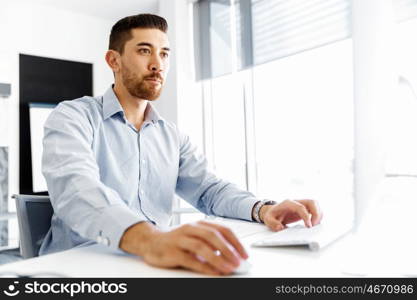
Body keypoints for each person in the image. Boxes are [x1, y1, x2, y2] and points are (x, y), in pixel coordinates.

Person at [40, 13, 322, 276]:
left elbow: (209, 190)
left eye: (164, 53)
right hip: (79, 267)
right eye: (144, 50)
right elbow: (76, 188)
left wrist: (262, 209)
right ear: (114, 61)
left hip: (150, 264)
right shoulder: (73, 116)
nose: (157, 64)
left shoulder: (171, 135)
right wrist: (149, 239)